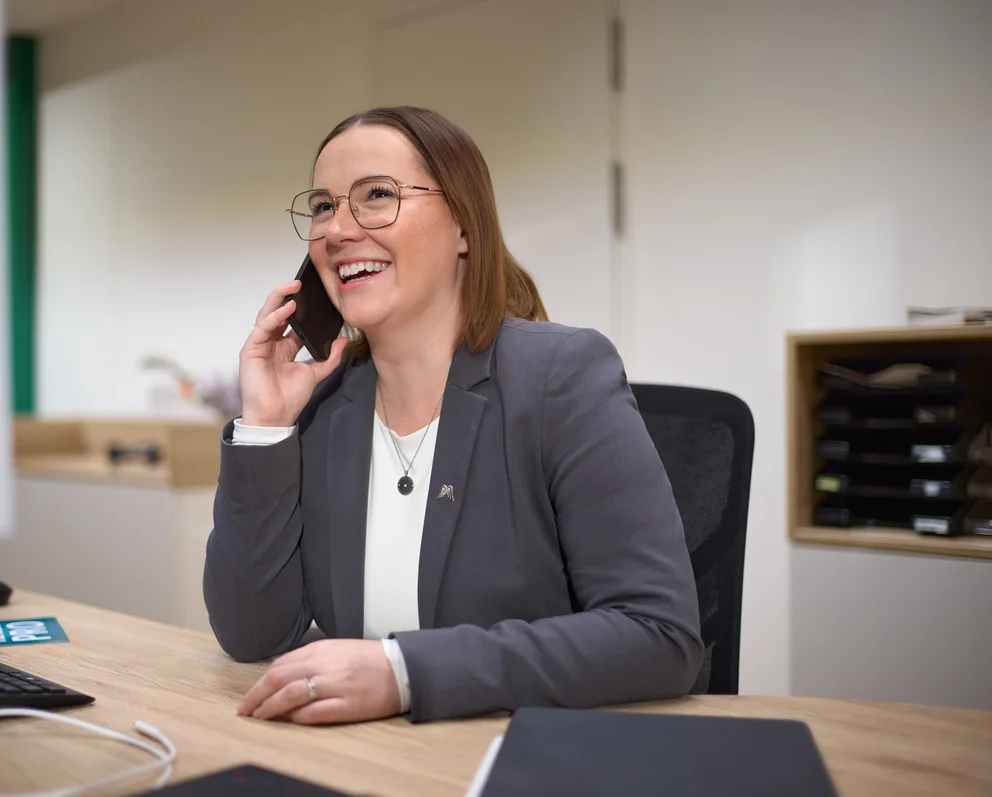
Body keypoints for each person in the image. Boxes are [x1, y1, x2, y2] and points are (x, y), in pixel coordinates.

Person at [203, 106, 703, 725]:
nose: (337, 231)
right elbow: (252, 635)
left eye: (377, 195)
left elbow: (658, 635)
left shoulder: (561, 376)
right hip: (371, 763)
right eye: (324, 206)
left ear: (464, 224)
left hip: (524, 760)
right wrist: (266, 425)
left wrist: (403, 672)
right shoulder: (325, 410)